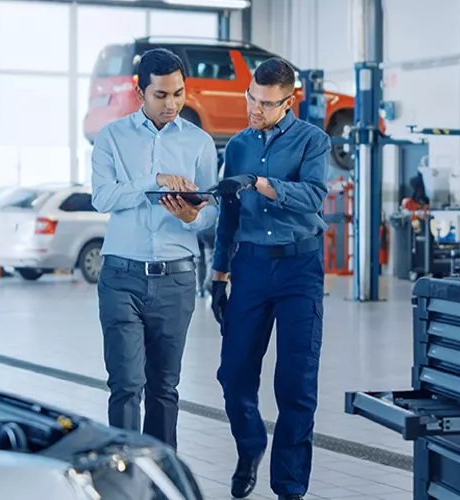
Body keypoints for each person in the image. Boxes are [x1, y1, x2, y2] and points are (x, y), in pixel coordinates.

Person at [209, 57, 329, 500]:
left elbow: (315, 197)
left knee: (296, 382)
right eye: (251, 98)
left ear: (289, 100)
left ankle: (290, 487)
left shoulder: (312, 141)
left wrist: (261, 182)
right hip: (251, 267)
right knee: (234, 374)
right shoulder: (237, 146)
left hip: (300, 268)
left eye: (266, 103)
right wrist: (218, 275)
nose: (255, 109)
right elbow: (228, 215)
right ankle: (250, 445)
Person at [90, 47, 219, 449]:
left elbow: (211, 210)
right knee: (126, 385)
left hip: (177, 277)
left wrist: (191, 219)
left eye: (178, 93)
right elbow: (103, 198)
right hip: (121, 277)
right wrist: (155, 179)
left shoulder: (200, 142)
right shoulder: (111, 137)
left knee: (164, 387)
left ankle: (160, 478)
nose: (171, 104)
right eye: (161, 95)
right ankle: (124, 477)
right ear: (138, 90)